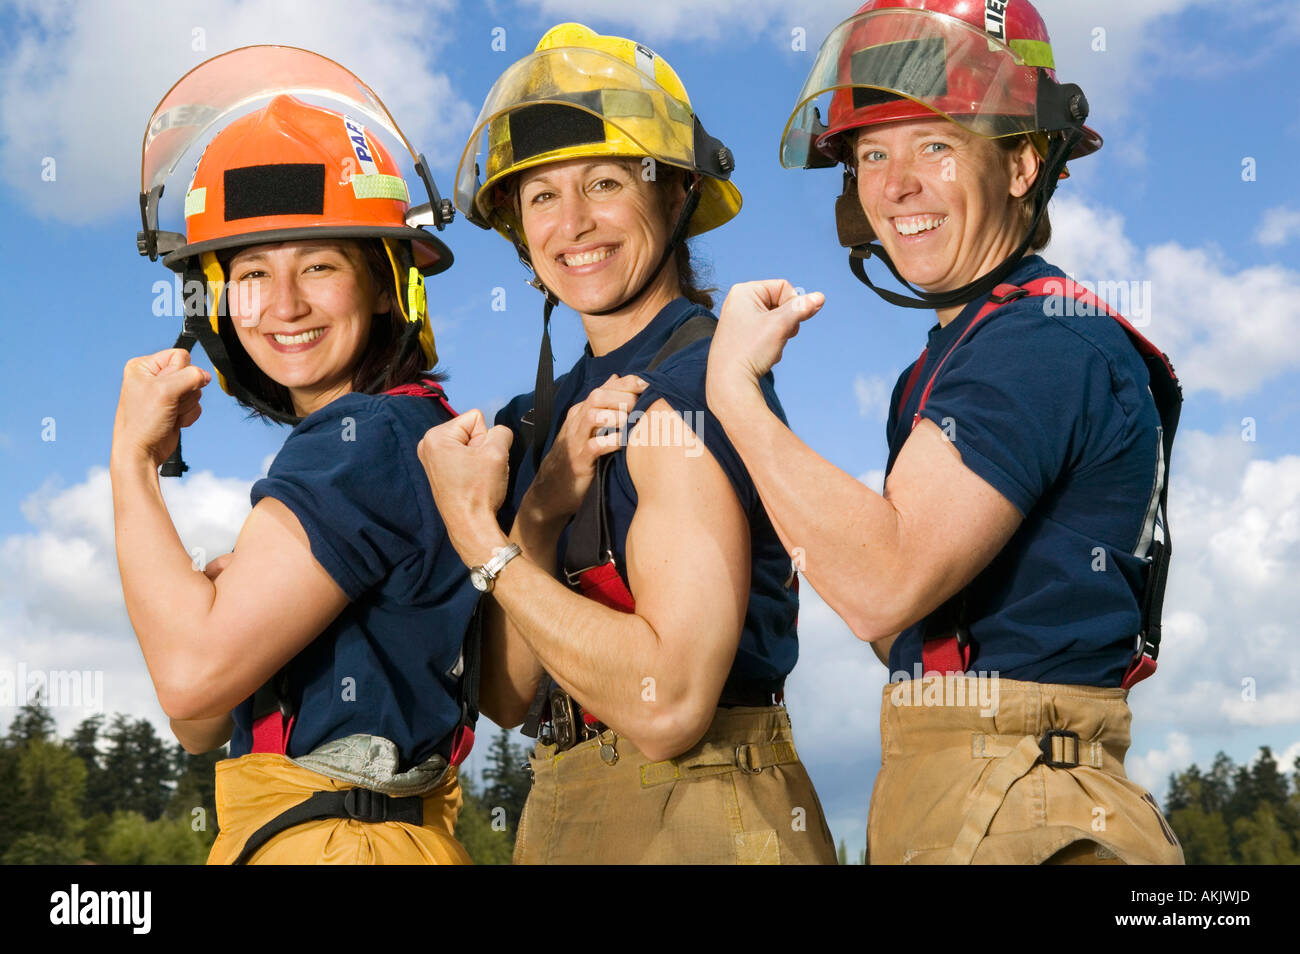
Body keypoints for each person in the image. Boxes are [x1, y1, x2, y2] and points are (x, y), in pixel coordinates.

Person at [705, 0, 1185, 865]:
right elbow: (901, 620)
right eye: (871, 154)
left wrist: (734, 391)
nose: (894, 186)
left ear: (1020, 164)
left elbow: (881, 586)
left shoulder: (1039, 345)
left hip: (1026, 805)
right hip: (958, 789)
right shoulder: (956, 359)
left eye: (936, 144)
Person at [418, 23, 837, 864]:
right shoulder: (538, 419)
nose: (572, 224)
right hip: (566, 800)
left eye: (605, 182)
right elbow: (507, 695)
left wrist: (477, 537)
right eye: (541, 195)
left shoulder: (696, 386)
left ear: (674, 192)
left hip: (709, 809)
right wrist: (533, 516)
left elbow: (668, 703)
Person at [115, 46, 477, 864]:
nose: (283, 305)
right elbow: (201, 725)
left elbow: (192, 681)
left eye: (319, 265)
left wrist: (132, 464)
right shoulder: (384, 438)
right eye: (250, 273)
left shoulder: (368, 444)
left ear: (387, 284)